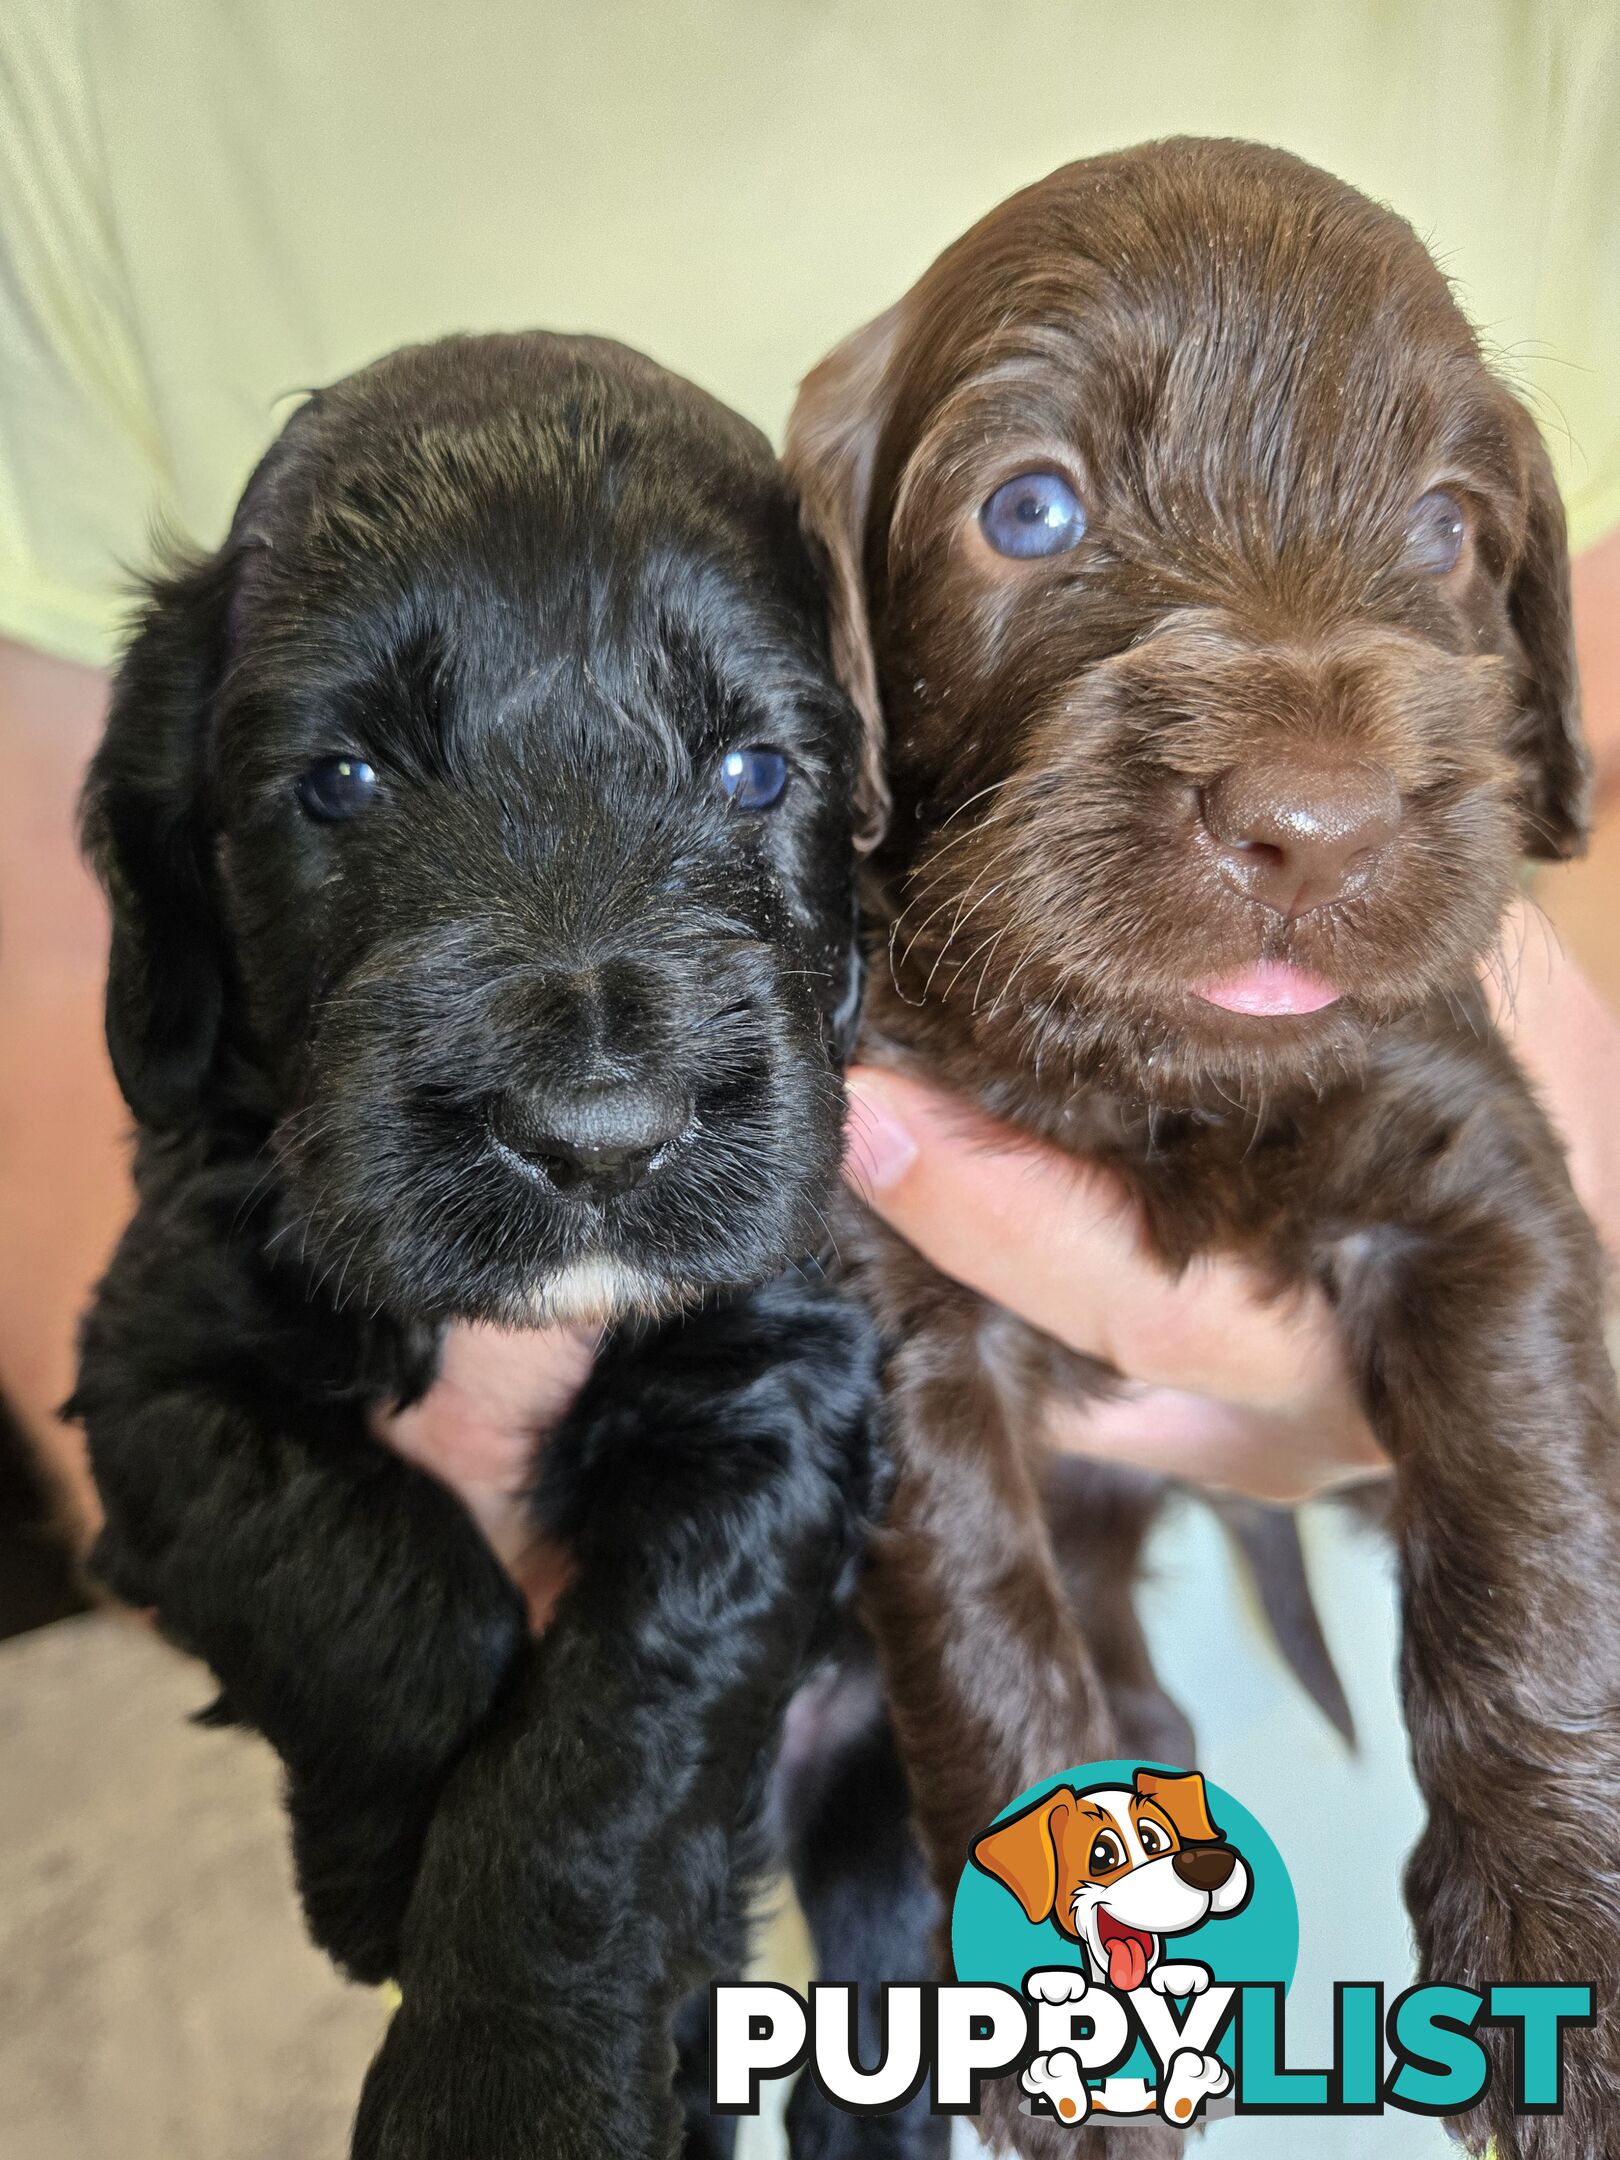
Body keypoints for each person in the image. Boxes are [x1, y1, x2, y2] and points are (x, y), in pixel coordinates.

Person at [3, 6, 1617, 2150]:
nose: (1310, 767)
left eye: (1430, 528)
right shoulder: (83, 76)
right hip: (662, 1711)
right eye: (1033, 506)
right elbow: (93, 969)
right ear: (850, 647)